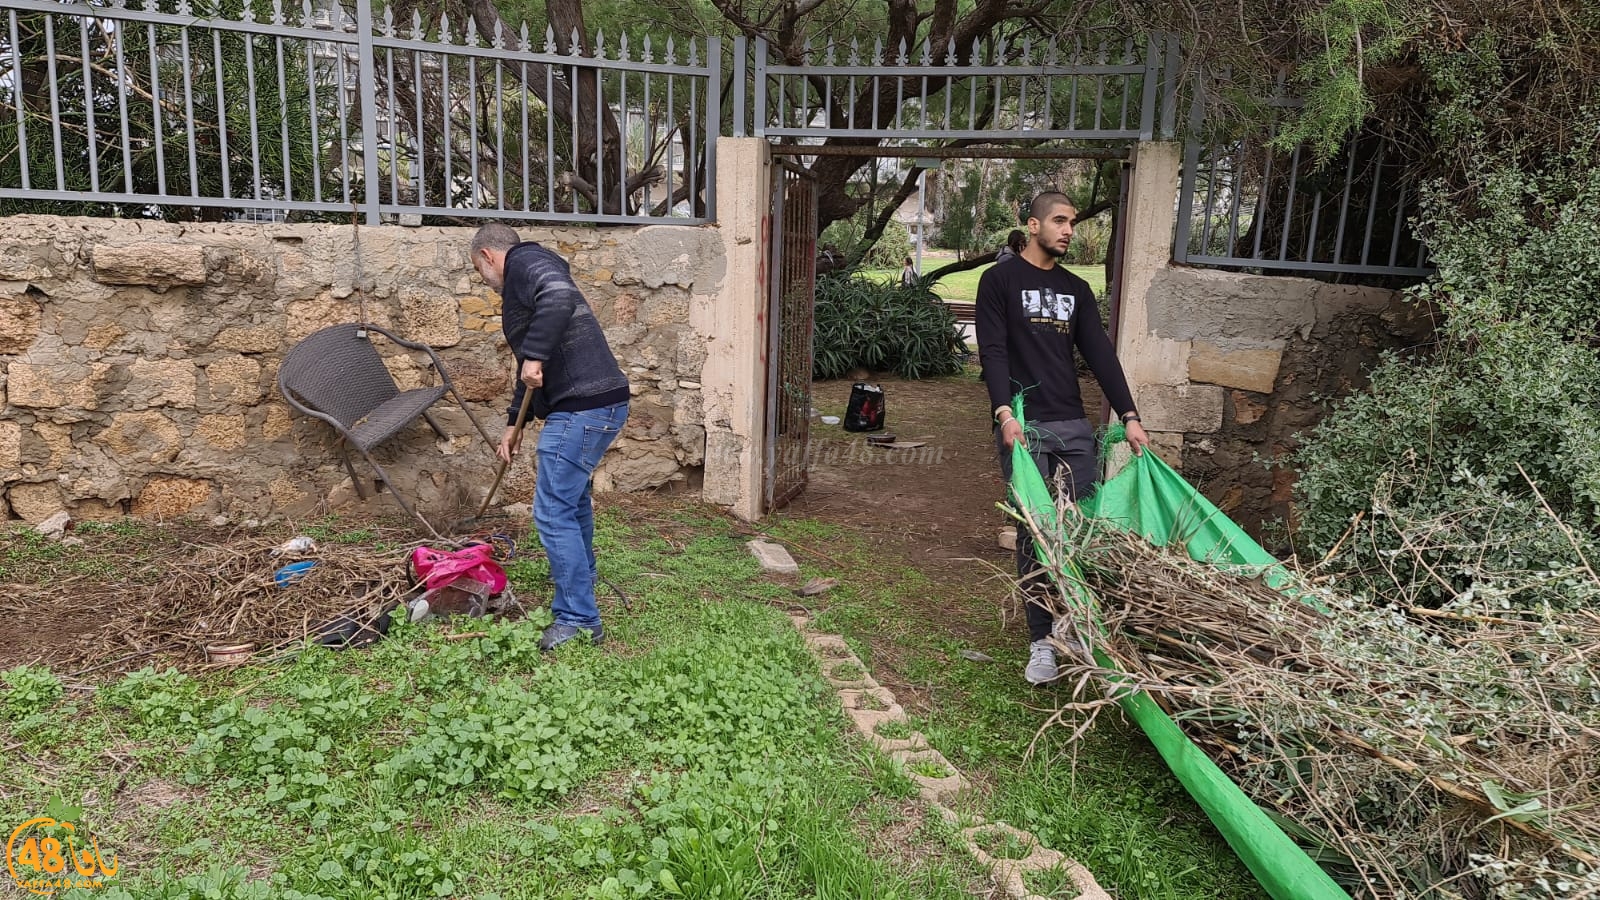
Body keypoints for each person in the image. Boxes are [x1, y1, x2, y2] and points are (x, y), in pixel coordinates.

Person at [974, 191, 1150, 685]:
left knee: (1076, 528)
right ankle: (1040, 642)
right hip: (1025, 427)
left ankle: (1071, 624)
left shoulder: (1076, 288)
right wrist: (1005, 413)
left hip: (1073, 426)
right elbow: (992, 352)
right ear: (1033, 224)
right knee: (1035, 531)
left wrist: (1130, 415)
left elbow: (1101, 355)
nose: (1068, 229)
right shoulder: (999, 281)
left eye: (1071, 222)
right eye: (1059, 220)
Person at [470, 223, 631, 651]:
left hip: (583, 407)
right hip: (602, 401)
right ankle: (584, 575)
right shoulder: (529, 278)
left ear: (488, 256)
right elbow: (531, 367)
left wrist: (536, 355)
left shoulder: (525, 262)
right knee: (571, 498)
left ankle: (578, 617)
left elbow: (554, 305)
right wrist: (514, 424)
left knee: (552, 510)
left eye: (478, 270)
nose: (482, 281)